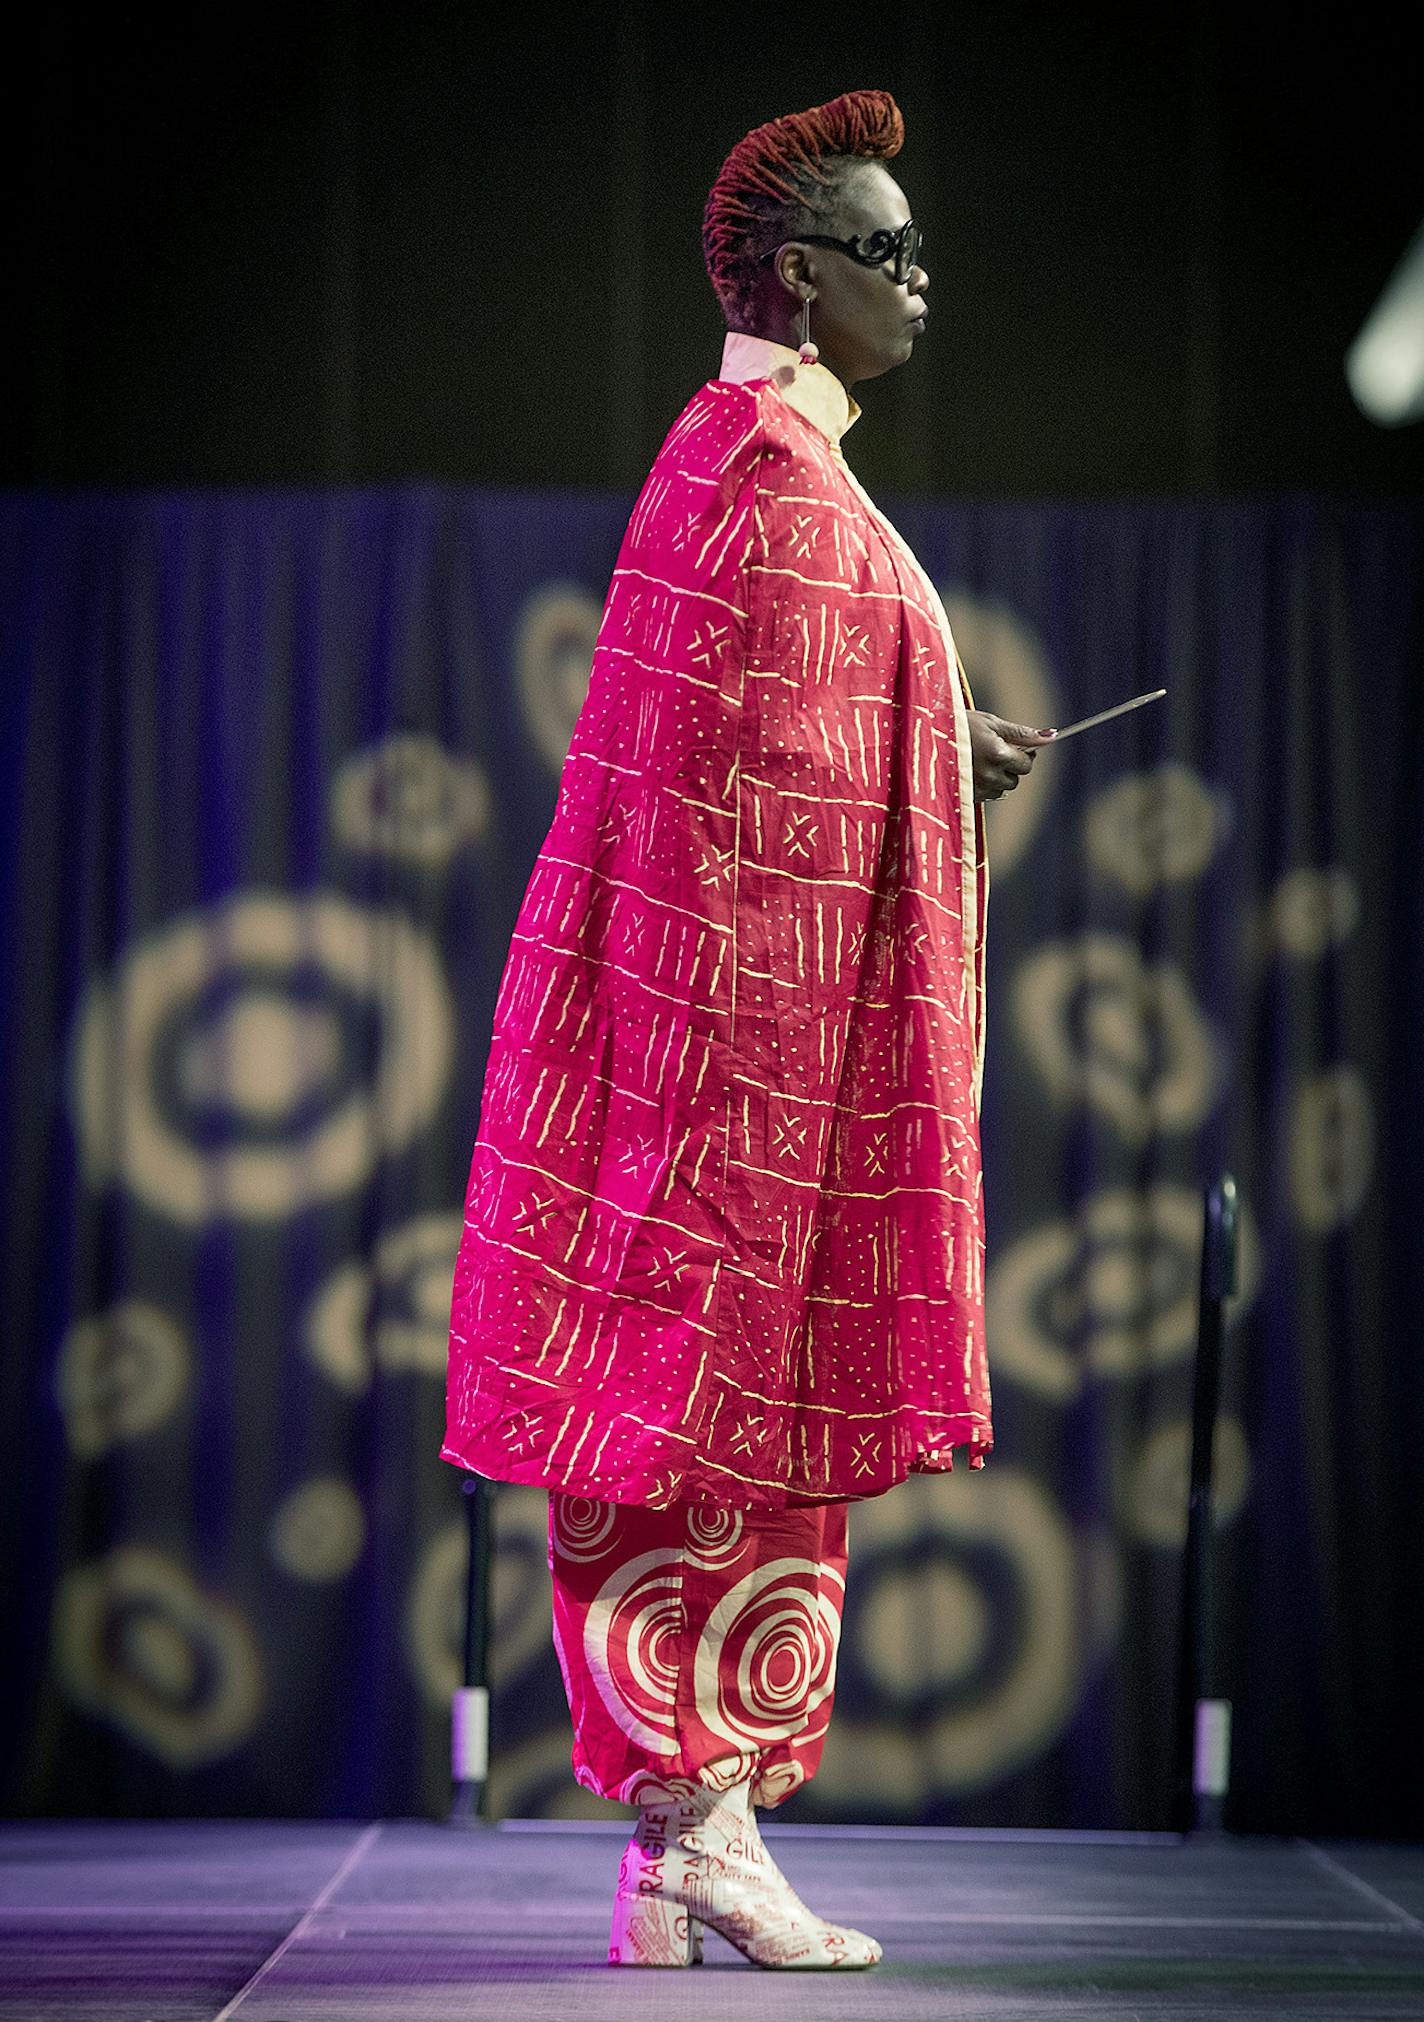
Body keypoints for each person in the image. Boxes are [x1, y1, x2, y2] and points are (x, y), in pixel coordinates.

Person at [442, 87, 1054, 1970]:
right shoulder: (751, 472)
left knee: (750, 1440)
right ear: (803, 276)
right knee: (685, 1430)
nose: (921, 273)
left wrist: (939, 752)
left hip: (755, 1075)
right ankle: (693, 1829)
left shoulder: (779, 466)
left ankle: (687, 1849)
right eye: (890, 249)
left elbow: (787, 744)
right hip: (719, 1077)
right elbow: (721, 791)